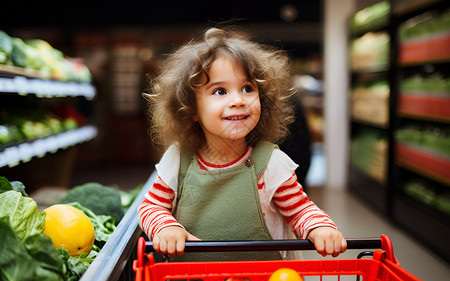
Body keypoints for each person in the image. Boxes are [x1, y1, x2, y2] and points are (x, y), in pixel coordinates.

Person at [138, 26, 346, 262]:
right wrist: (166, 228)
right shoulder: (179, 159)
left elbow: (300, 210)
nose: (238, 100)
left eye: (247, 88)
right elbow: (150, 207)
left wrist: (320, 228)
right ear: (191, 108)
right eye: (220, 91)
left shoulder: (270, 163)